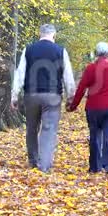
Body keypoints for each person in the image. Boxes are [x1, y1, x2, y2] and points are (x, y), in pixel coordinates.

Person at [11, 24, 76, 172]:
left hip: (31, 95)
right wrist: (70, 97)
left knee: (32, 128)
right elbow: (68, 76)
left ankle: (33, 160)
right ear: (54, 35)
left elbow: (20, 73)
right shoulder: (61, 51)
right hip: (52, 96)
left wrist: (14, 95)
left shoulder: (29, 49)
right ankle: (44, 165)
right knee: (49, 129)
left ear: (39, 34)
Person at [67, 42, 108, 174]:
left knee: (95, 136)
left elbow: (81, 88)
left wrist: (73, 105)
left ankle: (95, 166)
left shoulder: (90, 68)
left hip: (94, 108)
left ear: (96, 53)